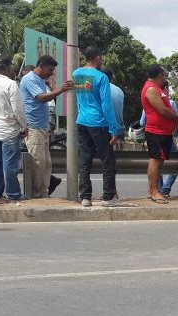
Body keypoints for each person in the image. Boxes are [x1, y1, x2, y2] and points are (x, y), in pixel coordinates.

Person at [73, 46, 121, 207]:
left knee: (84, 160)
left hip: (82, 121)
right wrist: (113, 129)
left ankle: (85, 197)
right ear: (97, 57)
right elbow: (106, 105)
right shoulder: (101, 77)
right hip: (98, 123)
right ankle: (108, 197)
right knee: (108, 161)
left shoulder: (77, 74)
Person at [19, 54, 74, 198]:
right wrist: (61, 90)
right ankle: (36, 193)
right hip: (34, 126)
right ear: (41, 65)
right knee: (38, 162)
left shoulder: (40, 80)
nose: (51, 73)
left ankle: (43, 192)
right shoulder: (30, 79)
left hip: (42, 127)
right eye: (50, 70)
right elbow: (41, 98)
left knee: (46, 163)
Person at [0, 55, 28, 201]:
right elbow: (18, 109)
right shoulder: (11, 84)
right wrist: (25, 125)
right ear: (8, 68)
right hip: (9, 129)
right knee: (10, 165)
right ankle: (14, 194)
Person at [141, 64, 178, 204]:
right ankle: (154, 191)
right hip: (155, 131)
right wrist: (177, 118)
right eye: (163, 75)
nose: (165, 77)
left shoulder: (157, 88)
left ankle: (152, 190)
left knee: (159, 161)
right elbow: (162, 110)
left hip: (163, 131)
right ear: (159, 75)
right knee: (155, 160)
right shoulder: (151, 89)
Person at [103, 68, 126, 140]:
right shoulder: (119, 90)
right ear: (112, 77)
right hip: (119, 130)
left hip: (103, 129)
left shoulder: (98, 89)